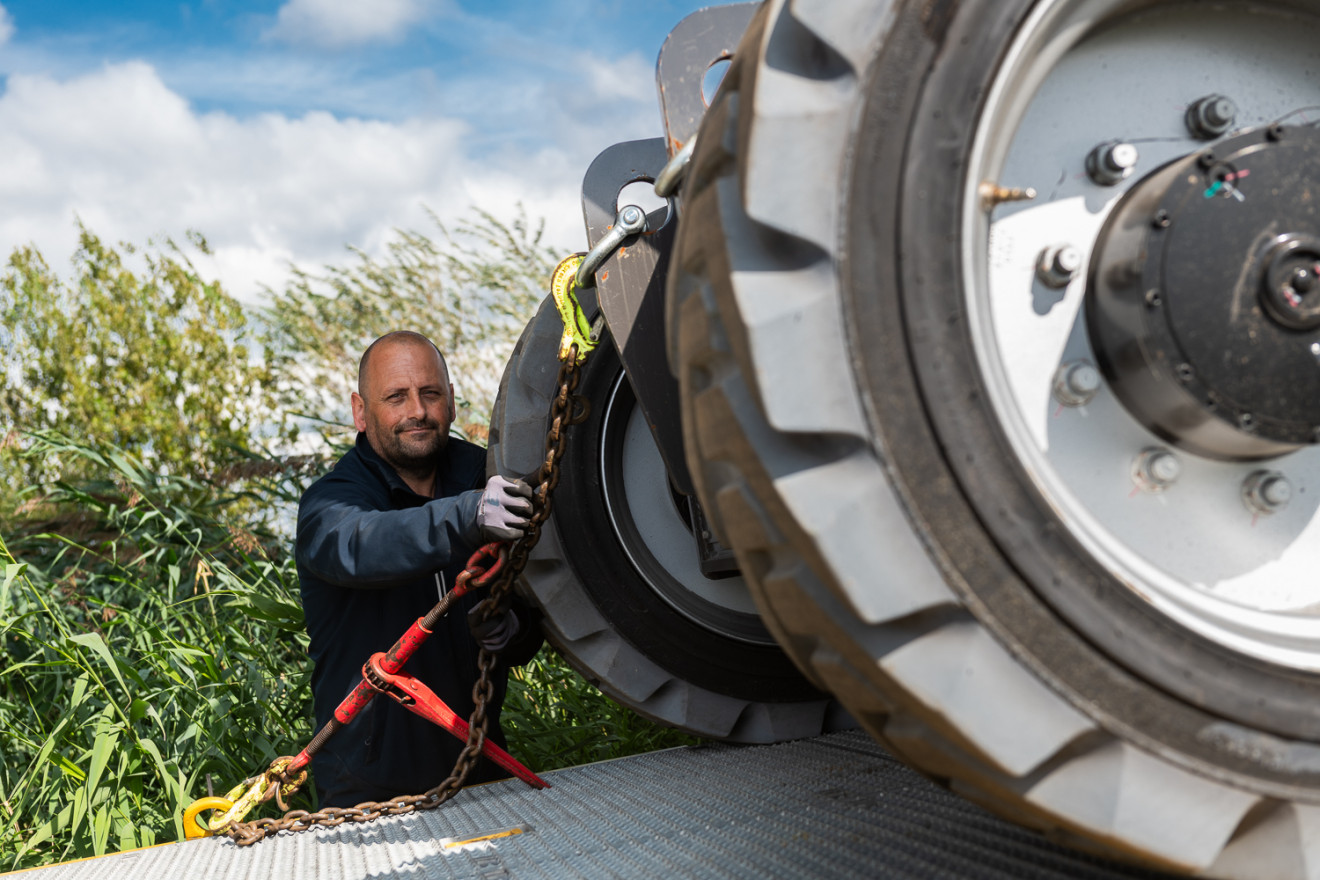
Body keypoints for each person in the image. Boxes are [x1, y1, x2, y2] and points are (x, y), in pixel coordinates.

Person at [296, 330, 543, 808]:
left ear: (451, 400)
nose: (417, 411)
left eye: (430, 393)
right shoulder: (330, 503)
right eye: (396, 397)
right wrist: (464, 517)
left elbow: (538, 592)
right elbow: (361, 544)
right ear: (361, 412)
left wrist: (516, 629)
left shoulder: (488, 479)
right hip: (366, 785)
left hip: (483, 766)